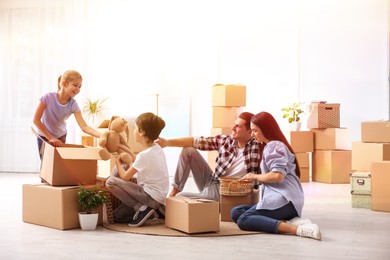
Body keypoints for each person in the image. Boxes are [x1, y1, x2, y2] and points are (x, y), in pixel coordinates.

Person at [231, 111, 322, 240]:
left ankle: (297, 229)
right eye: (251, 131)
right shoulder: (272, 145)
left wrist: (254, 177)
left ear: (266, 129)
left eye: (255, 131)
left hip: (285, 201)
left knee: (243, 220)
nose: (252, 134)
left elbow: (278, 176)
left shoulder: (274, 145)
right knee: (236, 212)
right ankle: (289, 221)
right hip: (289, 201)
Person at [155, 112, 260, 201]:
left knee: (180, 198)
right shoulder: (226, 141)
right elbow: (195, 141)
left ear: (250, 132)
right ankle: (174, 192)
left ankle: (196, 199)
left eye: (238, 126)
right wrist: (167, 142)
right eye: (234, 124)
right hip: (213, 180)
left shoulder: (257, 147)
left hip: (227, 191)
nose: (233, 128)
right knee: (188, 151)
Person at [105, 112, 169, 227]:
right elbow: (137, 162)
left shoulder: (144, 155)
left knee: (110, 181)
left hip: (149, 197)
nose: (134, 131)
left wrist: (117, 162)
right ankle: (156, 212)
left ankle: (141, 208)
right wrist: (123, 147)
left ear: (142, 132)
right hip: (158, 199)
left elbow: (125, 176)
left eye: (135, 128)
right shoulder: (156, 148)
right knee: (117, 216)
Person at [33, 70, 102, 159]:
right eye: (75, 85)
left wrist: (102, 135)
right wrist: (50, 138)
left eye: (80, 86)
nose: (78, 89)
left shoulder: (73, 105)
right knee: (46, 164)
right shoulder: (47, 98)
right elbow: (36, 120)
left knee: (58, 165)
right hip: (44, 136)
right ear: (64, 84)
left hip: (60, 137)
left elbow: (84, 127)